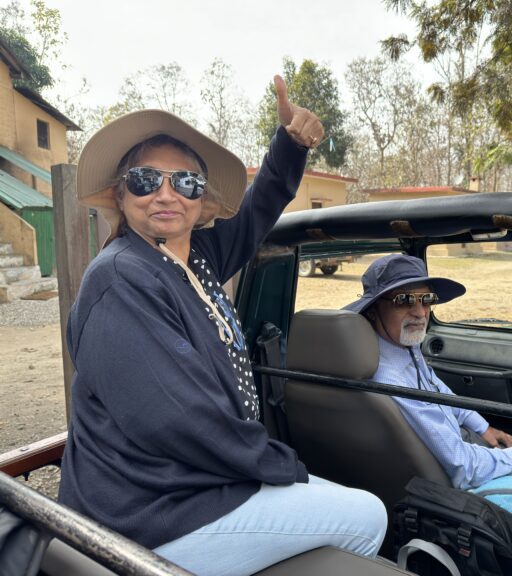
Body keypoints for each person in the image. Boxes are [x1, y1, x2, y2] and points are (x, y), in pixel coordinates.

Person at [58, 76, 387, 576]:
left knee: (340, 500)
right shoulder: (122, 276)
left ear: (202, 199)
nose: (166, 194)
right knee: (367, 515)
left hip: (204, 480)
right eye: (146, 180)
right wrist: (281, 464)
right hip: (149, 509)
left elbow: (258, 208)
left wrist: (291, 143)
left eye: (185, 182)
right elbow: (178, 420)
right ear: (121, 195)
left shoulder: (198, 256)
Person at [344, 254, 512, 515]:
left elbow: (439, 390)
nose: (420, 312)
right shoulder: (390, 380)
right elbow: (464, 467)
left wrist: (483, 427)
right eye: (404, 300)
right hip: (455, 487)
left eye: (427, 299)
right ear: (373, 310)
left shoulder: (403, 349)